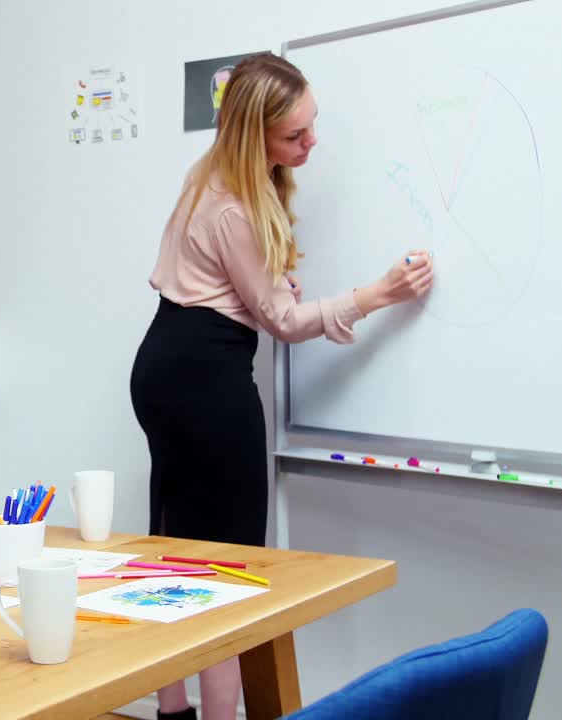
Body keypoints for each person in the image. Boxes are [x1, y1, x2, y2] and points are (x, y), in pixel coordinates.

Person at [128, 53, 433, 720]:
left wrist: (267, 287)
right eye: (295, 136)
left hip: (165, 367)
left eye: (311, 126)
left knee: (178, 549)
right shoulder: (235, 205)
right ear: (252, 135)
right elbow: (285, 322)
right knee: (229, 568)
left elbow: (234, 290)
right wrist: (376, 293)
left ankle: (171, 711)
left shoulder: (209, 179)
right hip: (204, 380)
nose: (311, 143)